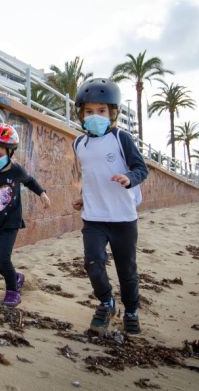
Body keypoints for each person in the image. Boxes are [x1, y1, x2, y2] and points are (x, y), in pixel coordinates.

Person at [71, 78, 149, 335]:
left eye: (101, 111)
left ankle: (131, 311)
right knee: (93, 263)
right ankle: (106, 302)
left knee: (126, 270)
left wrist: (129, 179)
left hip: (123, 218)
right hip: (93, 217)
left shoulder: (120, 138)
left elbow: (141, 168)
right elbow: (91, 175)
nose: (95, 116)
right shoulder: (78, 144)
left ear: (112, 113)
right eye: (89, 111)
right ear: (81, 114)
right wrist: (85, 197)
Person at [0, 123, 51, 307]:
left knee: (3, 258)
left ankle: (12, 290)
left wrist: (42, 193)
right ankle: (15, 277)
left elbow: (30, 181)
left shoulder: (16, 170)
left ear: (10, 153)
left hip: (10, 223)